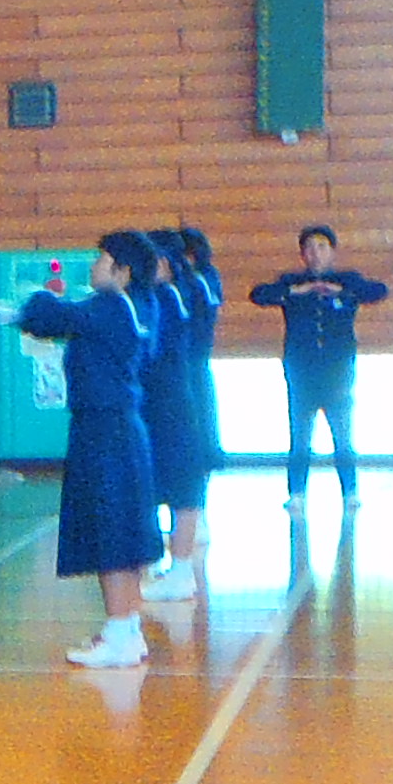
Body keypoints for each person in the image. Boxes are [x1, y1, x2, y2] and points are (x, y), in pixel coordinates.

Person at [23, 234, 166, 668]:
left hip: (105, 429)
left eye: (101, 260)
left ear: (123, 271)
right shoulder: (140, 305)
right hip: (118, 425)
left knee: (112, 529)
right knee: (120, 527)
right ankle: (125, 628)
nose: (93, 266)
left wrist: (35, 297)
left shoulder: (109, 305)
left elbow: (48, 316)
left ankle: (122, 632)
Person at [250, 225, 387, 504]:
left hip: (338, 367)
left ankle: (350, 491)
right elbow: (259, 294)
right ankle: (297, 493)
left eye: (322, 247)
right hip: (301, 368)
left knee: (342, 433)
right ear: (302, 255)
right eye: (309, 248)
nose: (315, 254)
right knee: (300, 434)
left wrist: (341, 291)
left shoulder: (347, 279)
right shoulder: (291, 281)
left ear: (332, 252)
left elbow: (377, 291)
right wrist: (297, 291)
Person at [142, 225, 222, 600]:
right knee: (164, 475)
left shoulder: (176, 292)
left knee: (183, 473)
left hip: (177, 388)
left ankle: (180, 566)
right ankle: (164, 563)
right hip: (170, 388)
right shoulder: (177, 290)